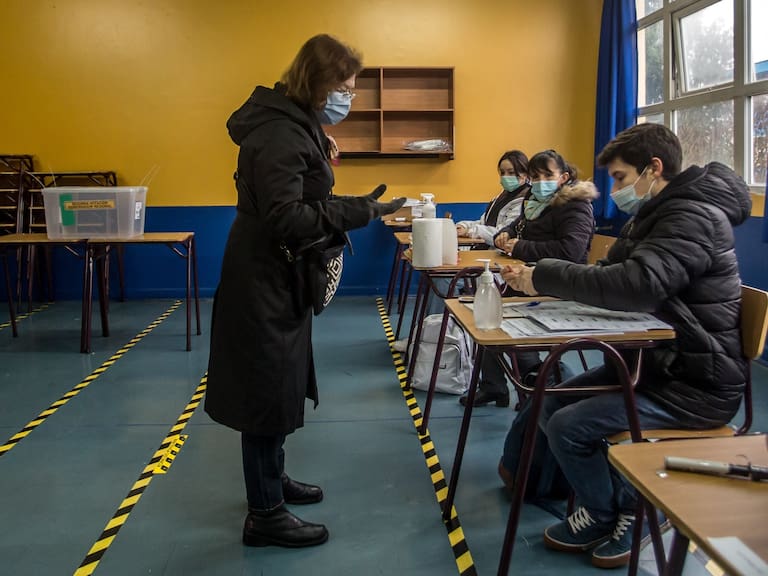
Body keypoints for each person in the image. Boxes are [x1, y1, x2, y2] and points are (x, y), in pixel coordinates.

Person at [502, 123, 751, 568]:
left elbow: (638, 285)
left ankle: (627, 512)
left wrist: (543, 274)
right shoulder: (658, 213)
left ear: (653, 169)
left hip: (696, 386)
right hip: (657, 367)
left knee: (568, 426)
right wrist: (555, 283)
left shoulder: (693, 216)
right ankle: (611, 507)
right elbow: (612, 270)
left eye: (619, 177)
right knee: (548, 406)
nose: (614, 189)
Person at [204, 34, 405, 549]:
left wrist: (333, 180)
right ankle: (264, 514)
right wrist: (359, 210)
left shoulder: (293, 125)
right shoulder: (280, 134)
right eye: (342, 87)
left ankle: (273, 481)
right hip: (264, 279)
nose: (348, 97)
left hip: (277, 277)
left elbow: (299, 193)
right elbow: (286, 217)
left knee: (280, 382)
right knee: (265, 391)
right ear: (315, 83)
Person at [459, 149, 598, 408]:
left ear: (563, 177)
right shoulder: (534, 201)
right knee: (489, 316)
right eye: (535, 175)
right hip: (528, 277)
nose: (540, 181)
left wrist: (519, 247)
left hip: (560, 283)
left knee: (507, 320)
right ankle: (494, 386)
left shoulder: (575, 205)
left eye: (548, 175)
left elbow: (571, 251)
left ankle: (535, 383)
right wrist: (505, 233)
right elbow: (519, 225)